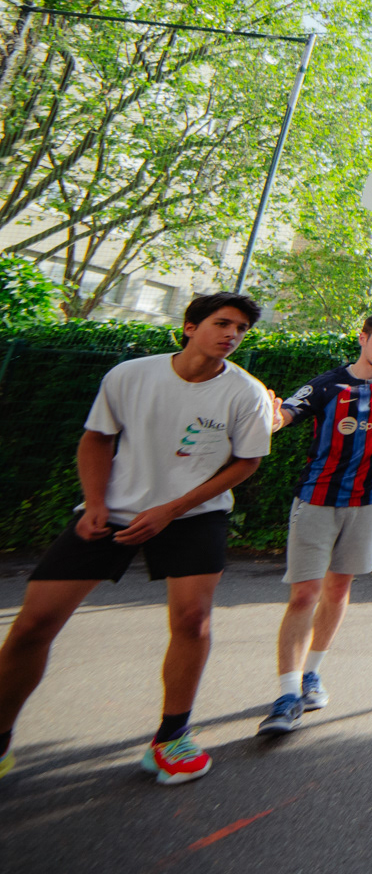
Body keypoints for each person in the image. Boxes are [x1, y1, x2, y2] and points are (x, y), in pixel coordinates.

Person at [0, 292, 275, 786]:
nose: (232, 334)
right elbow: (97, 438)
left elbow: (246, 462)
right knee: (32, 625)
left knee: (192, 620)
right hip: (112, 511)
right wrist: (95, 503)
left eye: (241, 329)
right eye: (222, 323)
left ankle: (171, 739)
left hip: (194, 515)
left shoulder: (246, 392)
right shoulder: (130, 375)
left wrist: (171, 510)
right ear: (190, 327)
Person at [256, 311, 372, 736]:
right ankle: (286, 695)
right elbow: (287, 412)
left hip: (366, 502)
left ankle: (312, 675)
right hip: (317, 500)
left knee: (339, 589)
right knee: (304, 595)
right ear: (362, 338)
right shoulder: (329, 385)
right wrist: (272, 418)